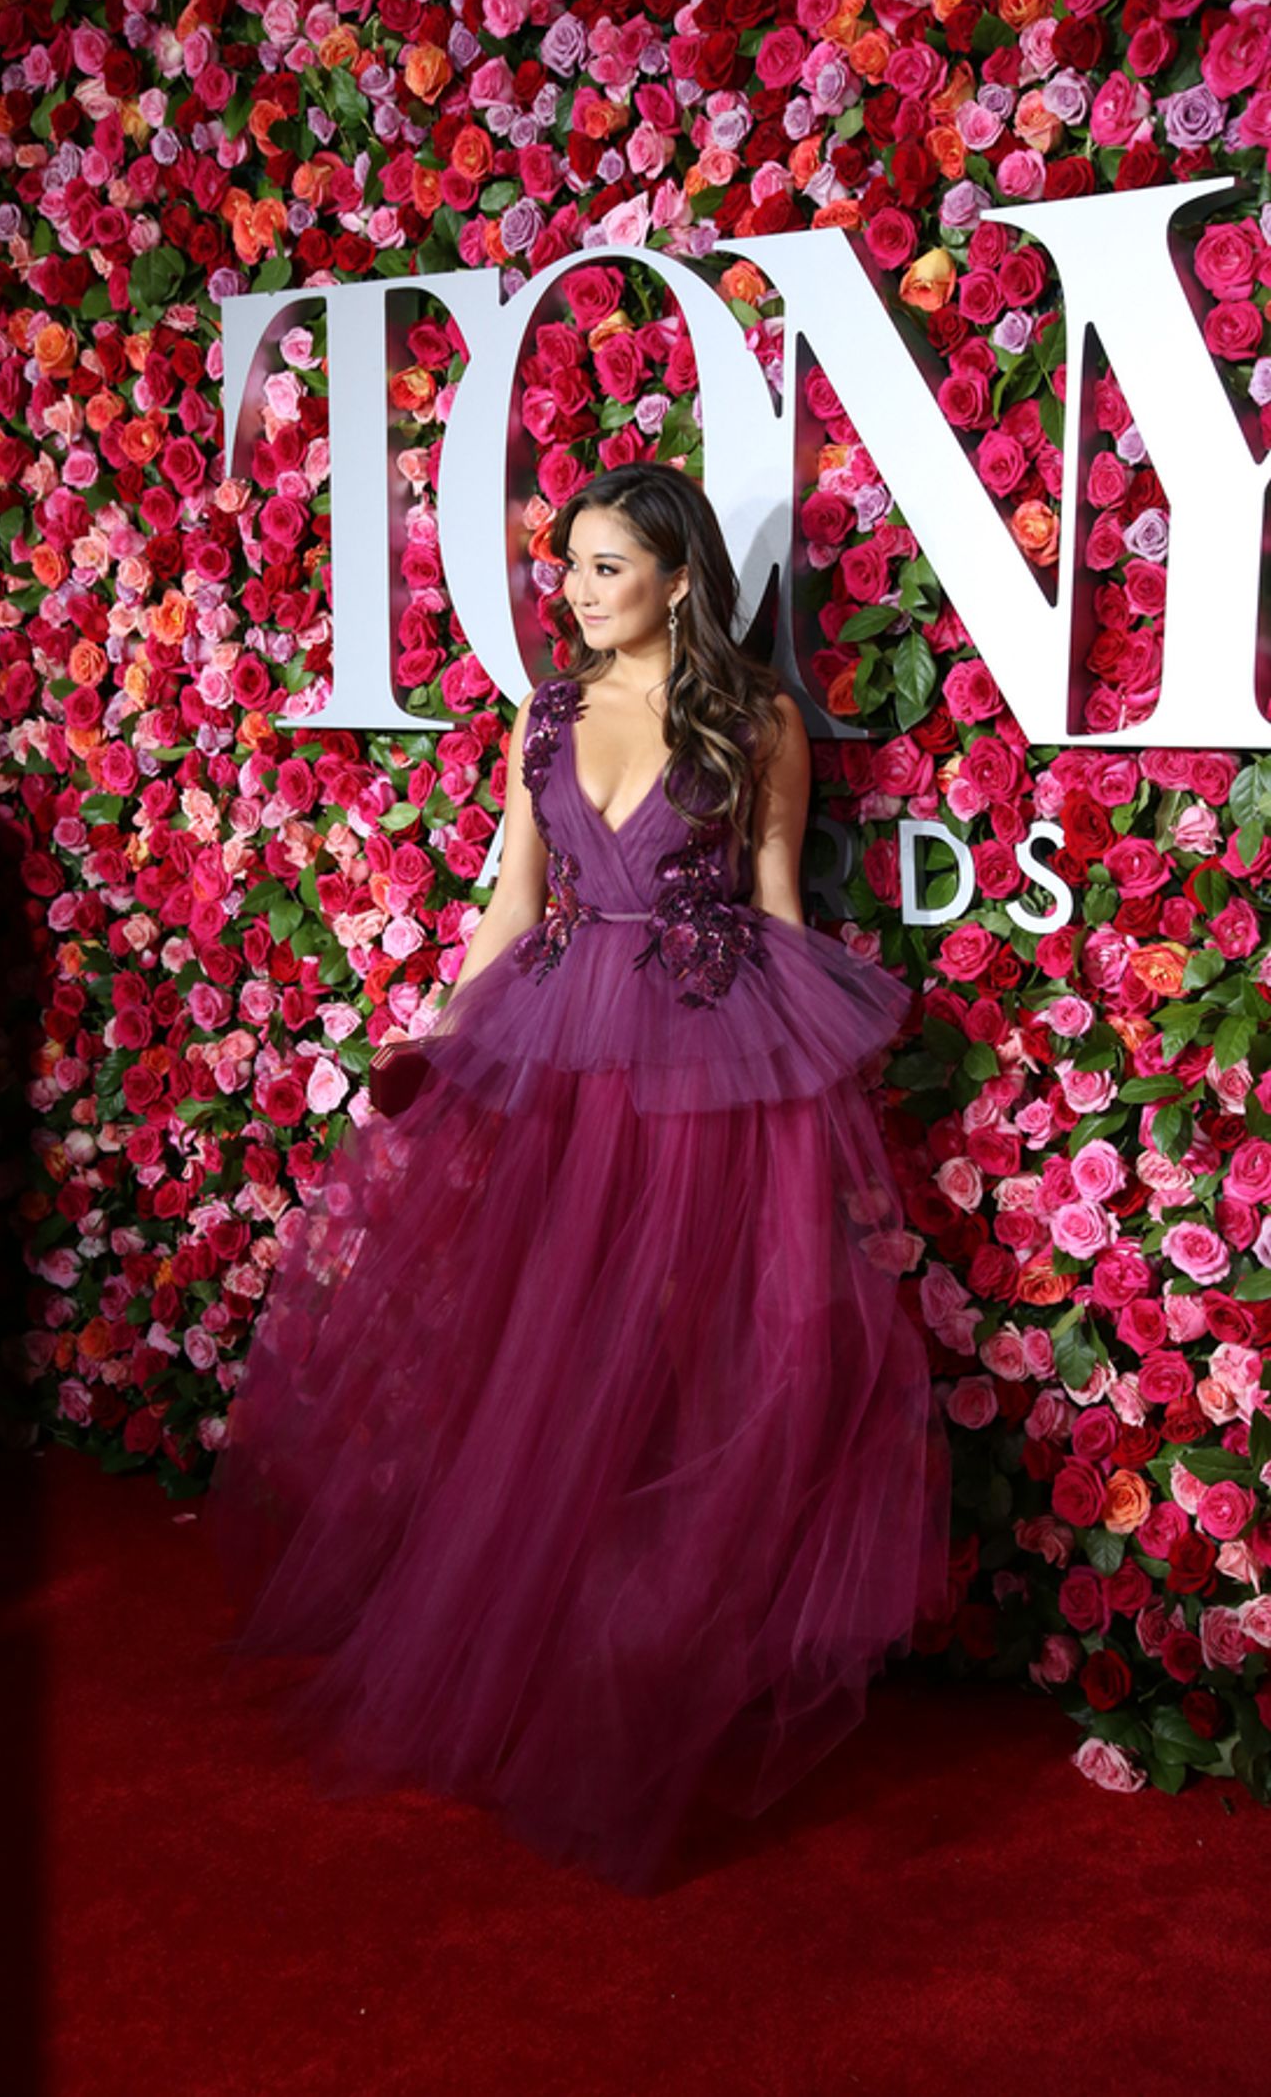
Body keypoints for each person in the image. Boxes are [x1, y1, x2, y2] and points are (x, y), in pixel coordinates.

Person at [208, 461, 952, 1894]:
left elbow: (783, 903)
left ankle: (651, 1672)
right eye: (570, 567)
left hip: (703, 1062)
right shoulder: (542, 713)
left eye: (605, 567)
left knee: (698, 1365)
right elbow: (514, 895)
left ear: (679, 578)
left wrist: (816, 1076)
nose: (576, 591)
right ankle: (522, 1661)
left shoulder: (755, 717)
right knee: (544, 1359)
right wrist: (439, 1038)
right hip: (557, 1059)